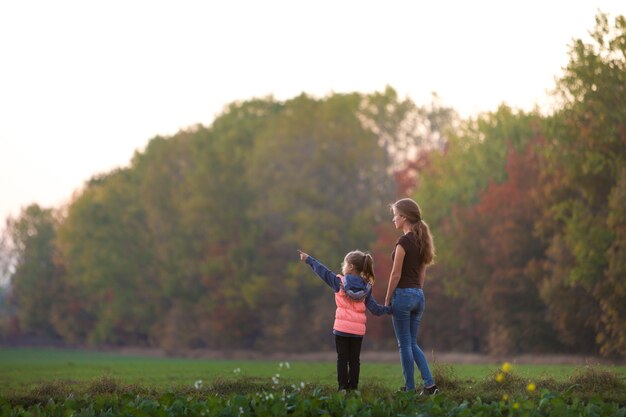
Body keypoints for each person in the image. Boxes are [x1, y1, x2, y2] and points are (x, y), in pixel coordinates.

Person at [298, 249, 390, 392]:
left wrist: (309, 259)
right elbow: (375, 309)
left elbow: (323, 271)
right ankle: (353, 389)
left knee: (342, 359)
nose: (343, 265)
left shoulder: (338, 282)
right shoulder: (367, 287)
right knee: (354, 360)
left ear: (351, 266)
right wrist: (391, 309)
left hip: (341, 329)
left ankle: (342, 388)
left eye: (345, 263)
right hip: (357, 332)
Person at [384, 198, 440, 395]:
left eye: (395, 215)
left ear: (404, 217)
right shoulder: (421, 240)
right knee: (412, 343)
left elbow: (395, 274)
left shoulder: (403, 242)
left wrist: (387, 298)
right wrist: (416, 292)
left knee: (404, 344)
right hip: (418, 296)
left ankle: (409, 388)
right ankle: (430, 385)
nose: (393, 219)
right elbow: (422, 274)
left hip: (403, 296)